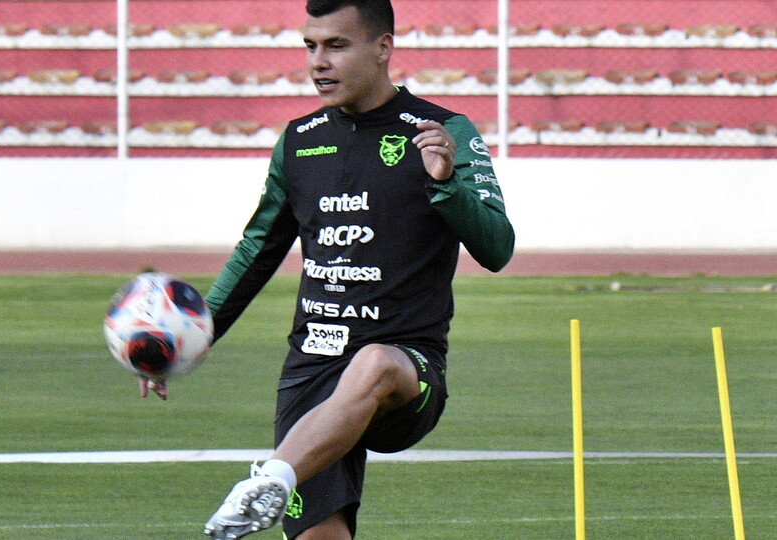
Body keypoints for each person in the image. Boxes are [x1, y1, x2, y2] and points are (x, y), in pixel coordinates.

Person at [142, 0, 515, 538]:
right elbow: (256, 252)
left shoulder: (442, 131)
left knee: (374, 363)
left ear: (382, 48)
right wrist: (187, 340)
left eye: (336, 46)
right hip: (312, 371)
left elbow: (497, 248)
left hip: (405, 372)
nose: (318, 62)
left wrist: (446, 185)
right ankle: (278, 480)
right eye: (310, 47)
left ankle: (269, 479)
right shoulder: (299, 141)